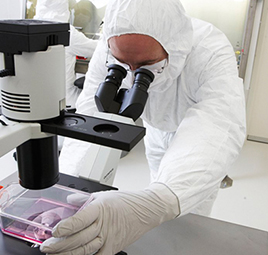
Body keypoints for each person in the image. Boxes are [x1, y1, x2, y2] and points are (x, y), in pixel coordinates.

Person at [41, 0, 246, 254]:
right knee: (158, 189)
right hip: (156, 131)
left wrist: (159, 201)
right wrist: (68, 193)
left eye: (147, 64)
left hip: (194, 136)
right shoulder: (110, 44)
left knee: (185, 211)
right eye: (123, 64)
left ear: (176, 47)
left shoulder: (210, 49)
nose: (133, 73)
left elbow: (218, 123)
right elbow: (89, 115)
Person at [34, 0, 98, 108]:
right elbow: (96, 49)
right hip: (66, 101)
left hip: (40, 101)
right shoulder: (66, 33)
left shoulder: (32, 29)